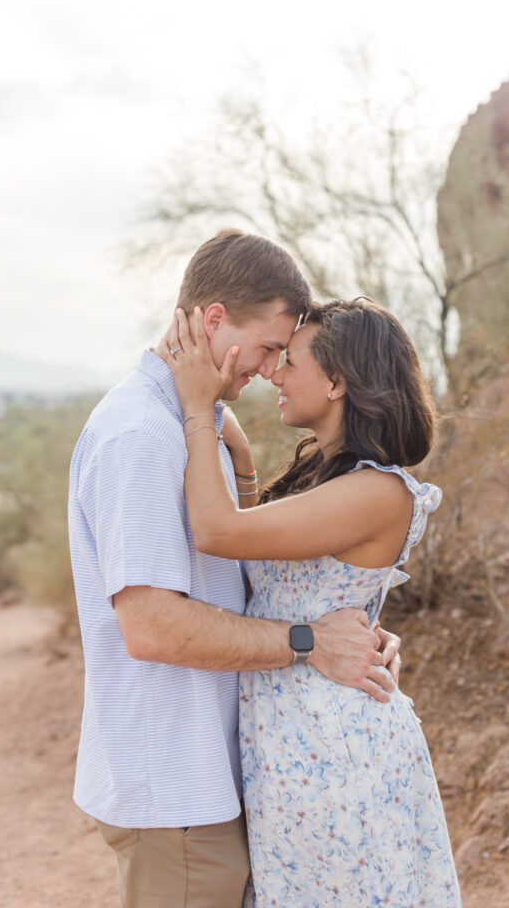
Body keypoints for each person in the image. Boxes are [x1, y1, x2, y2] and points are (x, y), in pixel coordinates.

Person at [68, 230, 402, 908]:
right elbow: (154, 628)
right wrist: (310, 644)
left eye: (285, 354)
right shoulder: (142, 437)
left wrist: (356, 629)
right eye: (269, 347)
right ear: (215, 320)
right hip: (175, 785)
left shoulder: (197, 432)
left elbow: (242, 572)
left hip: (210, 778)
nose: (271, 367)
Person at [158, 297, 462, 907]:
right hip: (291, 740)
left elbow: (218, 532)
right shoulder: (327, 478)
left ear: (338, 381)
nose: (274, 372)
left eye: (289, 360)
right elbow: (266, 573)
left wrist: (198, 406)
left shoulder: (377, 490)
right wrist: (240, 458)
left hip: (335, 749)